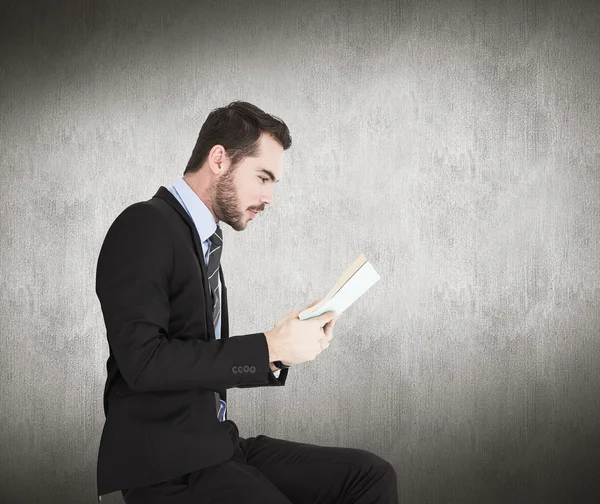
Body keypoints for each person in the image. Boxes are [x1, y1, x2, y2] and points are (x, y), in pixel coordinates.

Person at [94, 101, 398, 503]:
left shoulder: (203, 243)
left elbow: (199, 356)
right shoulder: (144, 226)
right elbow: (144, 363)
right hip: (169, 468)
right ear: (219, 158)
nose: (270, 197)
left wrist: (280, 352)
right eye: (263, 177)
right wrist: (266, 347)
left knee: (370, 476)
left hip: (219, 446)